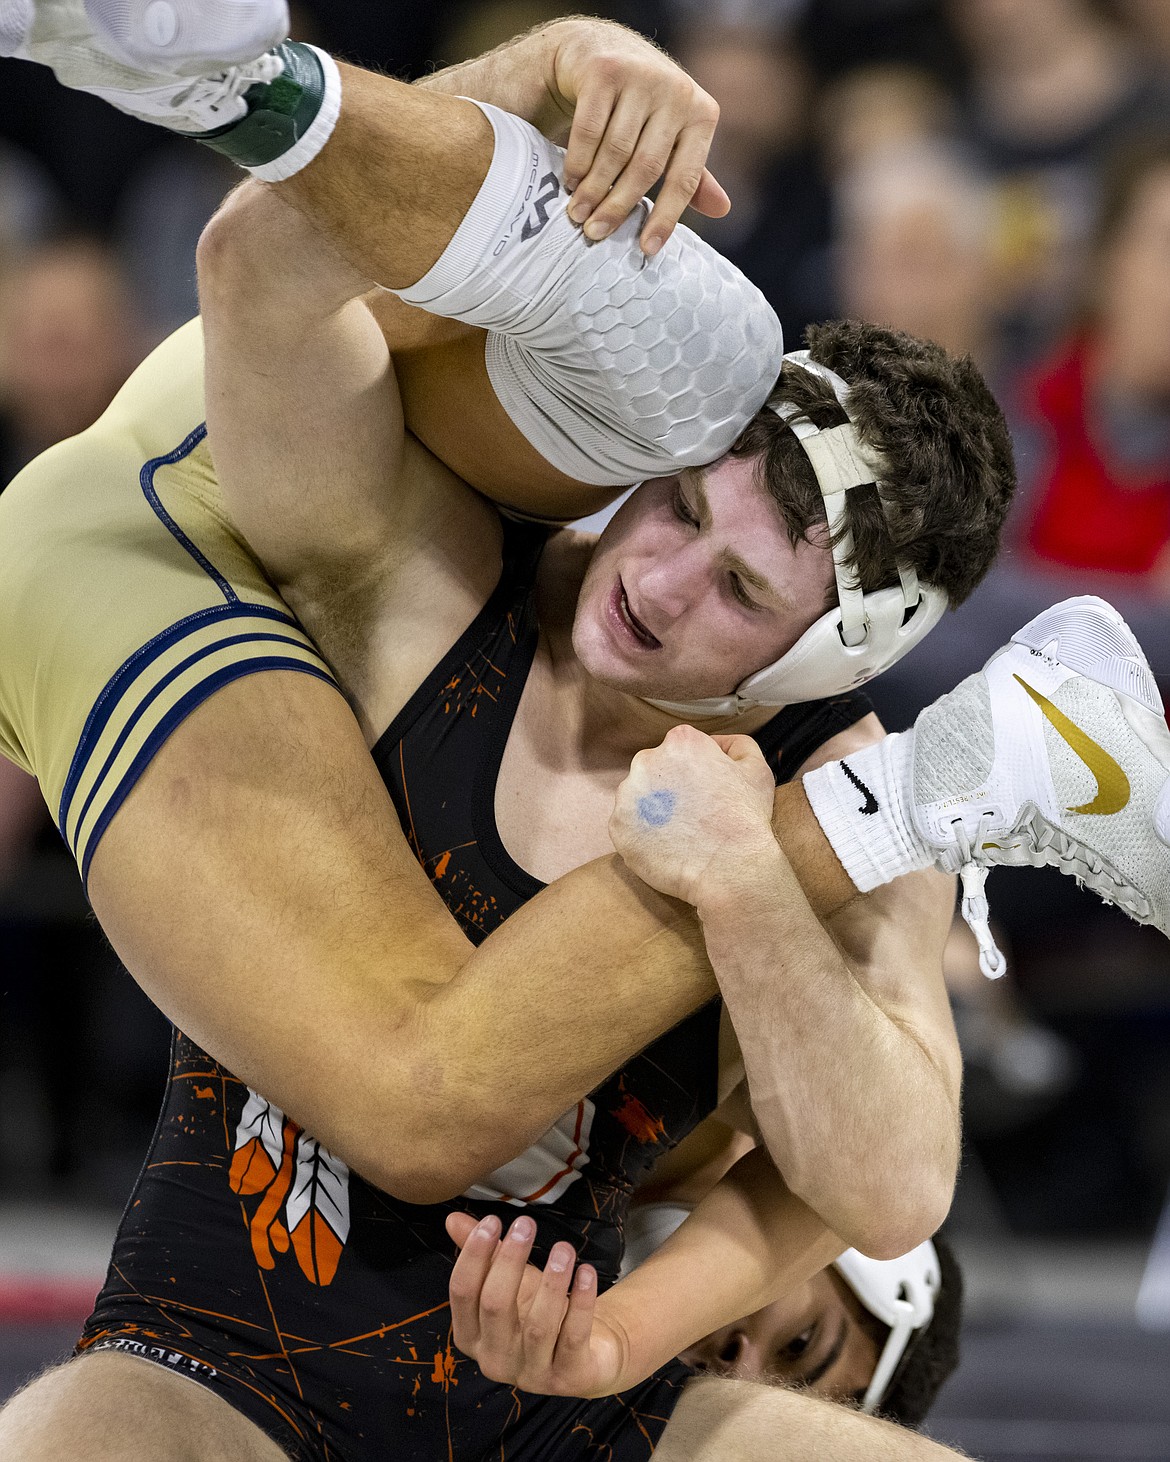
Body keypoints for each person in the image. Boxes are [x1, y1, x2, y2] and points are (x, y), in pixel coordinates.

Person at [1, 5, 1168, 1459]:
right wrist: (546, 63)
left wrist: (745, 884)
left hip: (548, 1412)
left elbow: (886, 1186)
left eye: (737, 588)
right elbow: (262, 263)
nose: (655, 580)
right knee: (423, 1107)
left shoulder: (832, 773)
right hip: (212, 1352)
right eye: (679, 506)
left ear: (820, 657)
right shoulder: (437, 569)